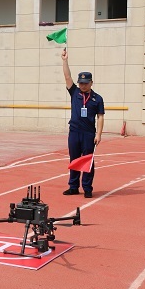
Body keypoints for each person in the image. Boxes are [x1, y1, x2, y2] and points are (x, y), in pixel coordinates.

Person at [61, 48, 105, 198]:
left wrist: (98, 134)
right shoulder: (74, 92)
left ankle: (87, 188)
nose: (83, 86)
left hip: (88, 134)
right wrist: (65, 61)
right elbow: (67, 76)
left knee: (88, 161)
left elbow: (100, 117)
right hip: (74, 132)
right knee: (74, 159)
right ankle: (73, 186)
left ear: (91, 83)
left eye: (86, 83)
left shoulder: (97, 99)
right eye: (81, 83)